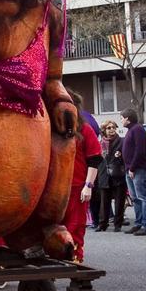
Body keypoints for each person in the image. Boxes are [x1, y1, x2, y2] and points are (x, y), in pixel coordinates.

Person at [63, 93, 102, 262]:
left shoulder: (85, 129)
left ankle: (75, 258)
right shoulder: (57, 129)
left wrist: (88, 185)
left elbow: (94, 158)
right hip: (57, 187)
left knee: (75, 225)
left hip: (77, 185)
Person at [119, 108, 146, 236]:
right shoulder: (131, 130)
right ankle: (138, 223)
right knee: (135, 198)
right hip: (130, 169)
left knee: (142, 197)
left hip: (137, 169)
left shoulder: (137, 129)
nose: (121, 120)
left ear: (127, 118)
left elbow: (140, 151)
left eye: (122, 118)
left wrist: (132, 167)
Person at [94, 120, 127, 232]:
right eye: (109, 128)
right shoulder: (99, 143)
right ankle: (103, 224)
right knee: (104, 202)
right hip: (104, 175)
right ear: (104, 130)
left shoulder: (121, 142)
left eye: (113, 127)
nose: (112, 129)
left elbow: (126, 158)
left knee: (119, 201)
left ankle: (118, 224)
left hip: (118, 174)